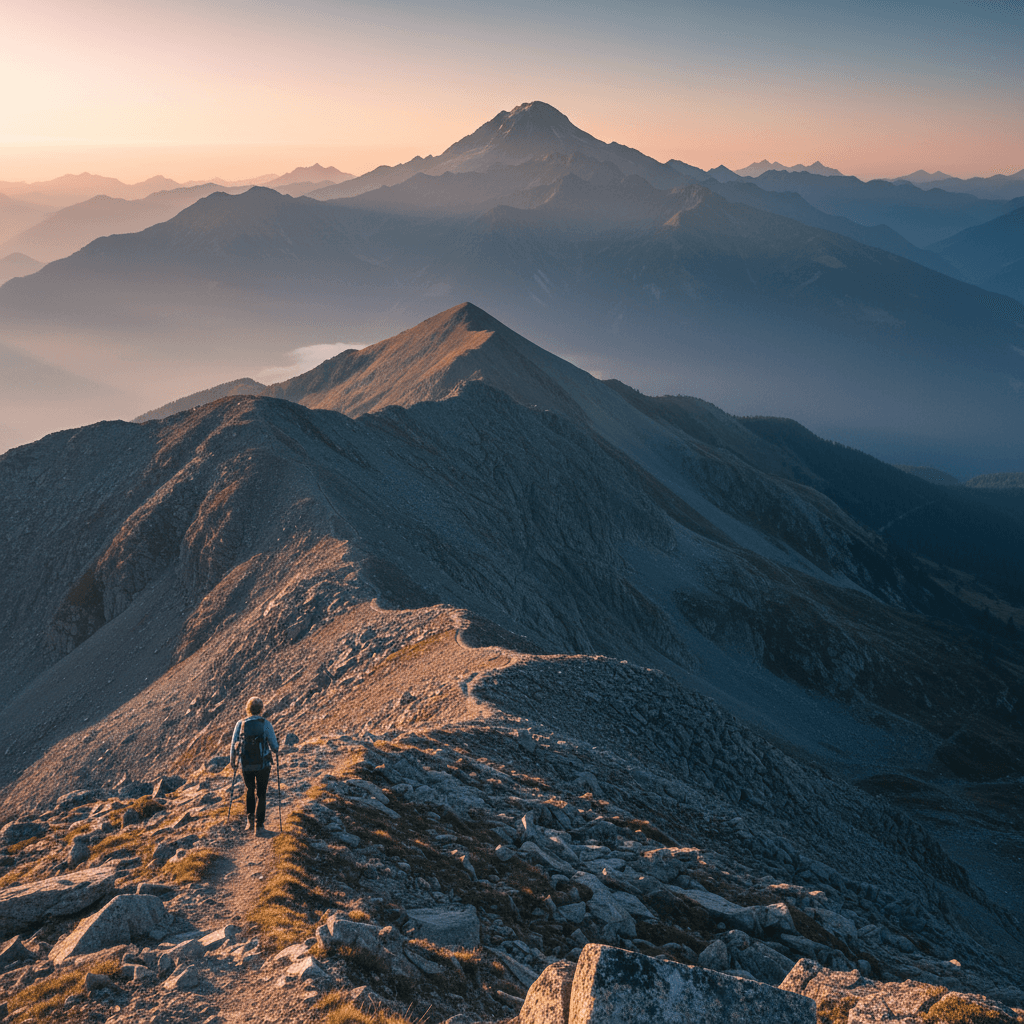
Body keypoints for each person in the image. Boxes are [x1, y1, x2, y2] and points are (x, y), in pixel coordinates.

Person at [229, 697, 279, 834]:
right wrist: (276, 746)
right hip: (263, 764)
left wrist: (233, 761)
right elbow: (274, 747)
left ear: (248, 708)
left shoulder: (240, 724)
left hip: (246, 764)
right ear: (261, 709)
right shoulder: (265, 723)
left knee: (249, 789)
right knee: (261, 793)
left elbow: (234, 744)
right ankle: (259, 826)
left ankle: (249, 821)